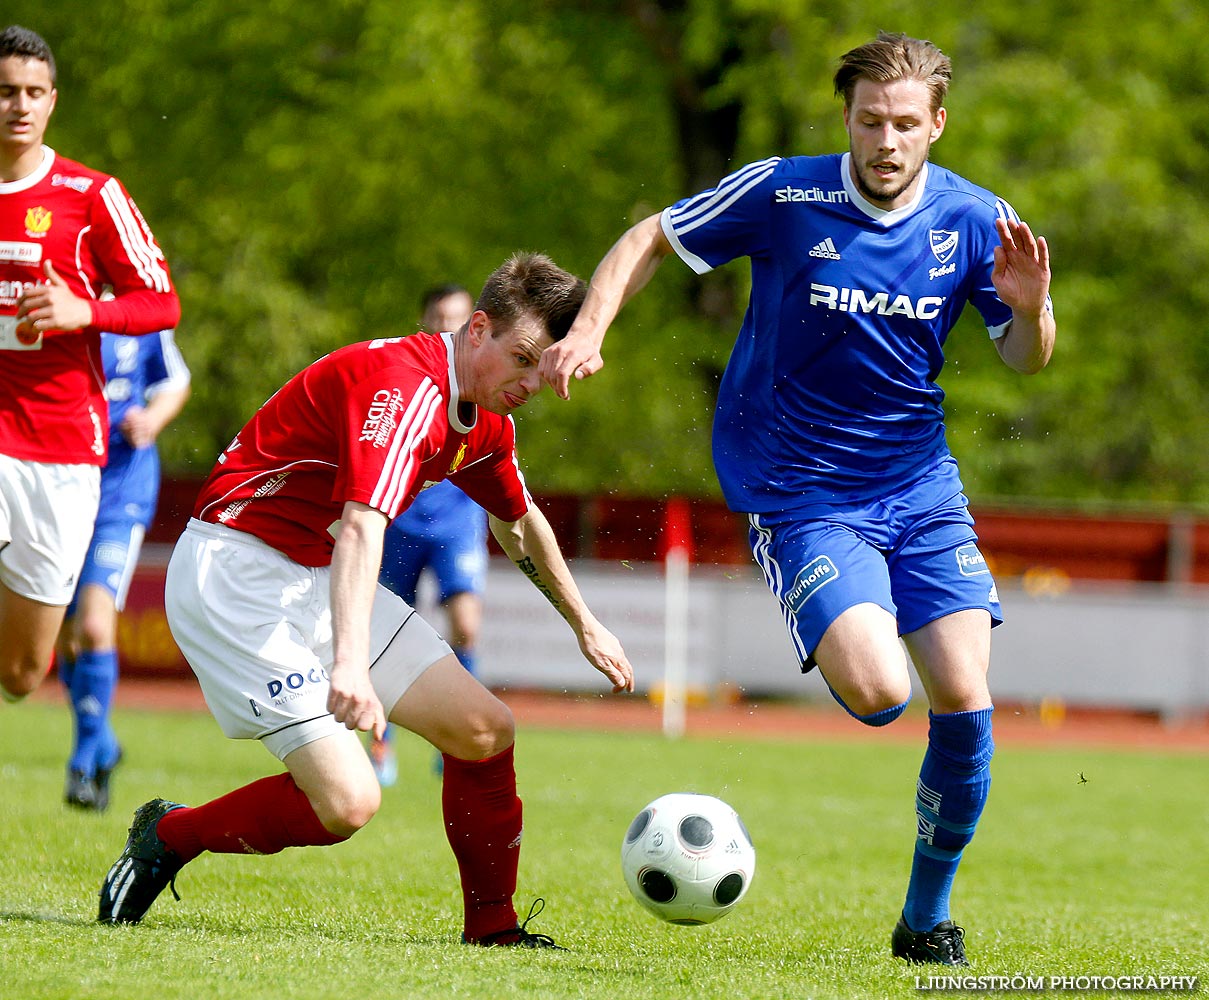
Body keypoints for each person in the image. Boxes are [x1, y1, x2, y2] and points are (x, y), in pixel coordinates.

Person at [539, 32, 1055, 966]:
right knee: (876, 693)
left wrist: (1028, 313)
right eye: (869, 122)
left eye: (905, 124)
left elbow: (1024, 359)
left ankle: (923, 921)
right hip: (800, 490)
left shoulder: (977, 219)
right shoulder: (785, 192)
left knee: (965, 702)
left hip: (919, 486)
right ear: (847, 119)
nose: (886, 142)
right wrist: (589, 329)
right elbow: (650, 235)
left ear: (936, 123)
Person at [97, 252, 635, 950]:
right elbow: (361, 525)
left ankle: (494, 931)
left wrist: (585, 625)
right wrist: (349, 666)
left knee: (484, 731)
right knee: (348, 803)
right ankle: (169, 834)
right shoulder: (405, 389)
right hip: (237, 577)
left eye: (544, 367)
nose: (532, 381)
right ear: (477, 330)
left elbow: (519, 518)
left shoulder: (483, 415)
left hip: (317, 573)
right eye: (523, 358)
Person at [0, 25, 181, 703]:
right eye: (5, 92)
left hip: (61, 452)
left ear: (51, 101)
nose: (18, 105)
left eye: (32, 92)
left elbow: (161, 303)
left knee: (22, 674)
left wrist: (86, 312)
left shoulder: (91, 195)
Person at [58, 325, 191, 811]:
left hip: (120, 496)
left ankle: (83, 760)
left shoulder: (142, 317)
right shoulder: (50, 312)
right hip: (58, 494)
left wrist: (153, 419)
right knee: (64, 634)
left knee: (95, 624)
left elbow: (175, 381)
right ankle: (105, 744)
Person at [370, 283, 484, 785]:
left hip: (457, 520)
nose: (447, 327)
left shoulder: (485, 381)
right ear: (424, 322)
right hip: (400, 516)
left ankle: (461, 736)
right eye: (439, 317)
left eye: (457, 318)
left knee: (466, 625)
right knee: (385, 634)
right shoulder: (406, 377)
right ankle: (380, 744)